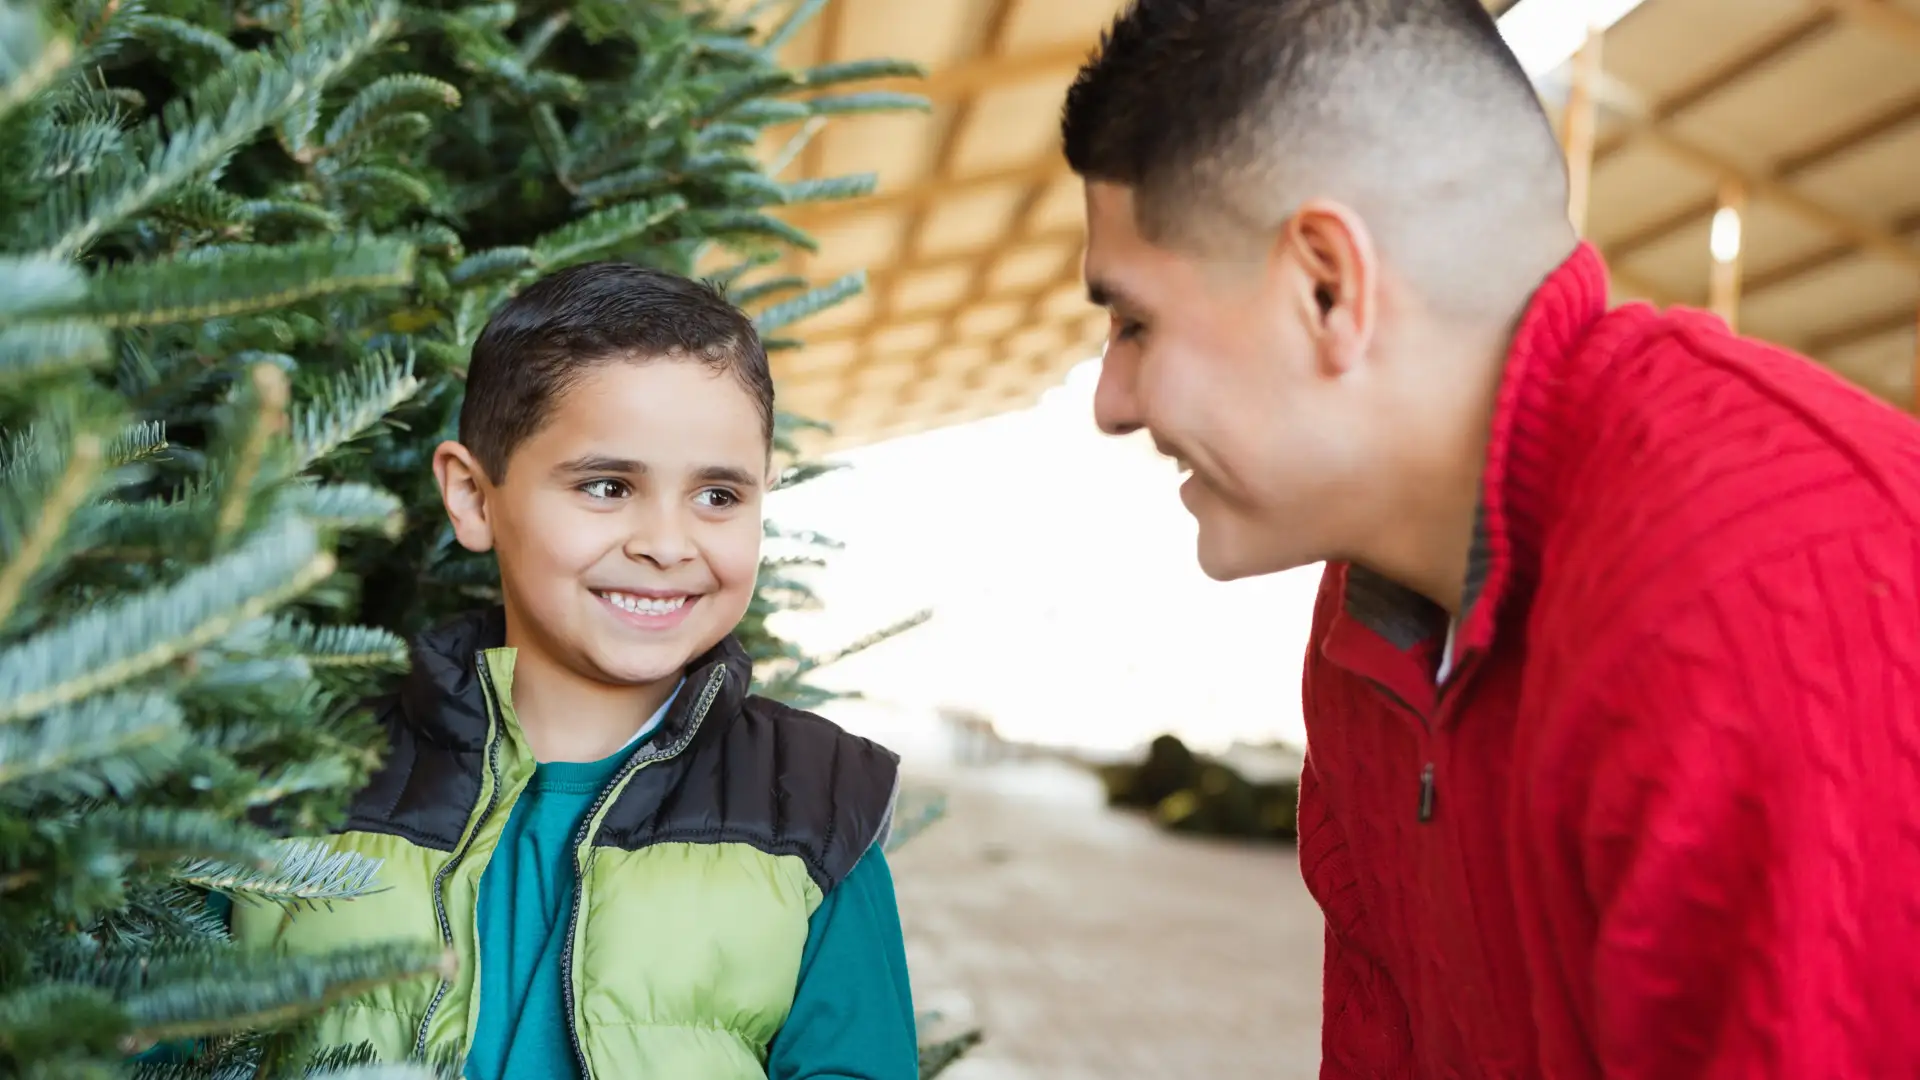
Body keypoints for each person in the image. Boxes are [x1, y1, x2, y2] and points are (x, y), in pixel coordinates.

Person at [1062, 0, 1920, 1076]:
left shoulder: (1769, 593)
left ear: (1328, 286)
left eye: (1135, 323)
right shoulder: (1363, 628)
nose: (1110, 400)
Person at [231, 263, 918, 1079]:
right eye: (607, 486)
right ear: (473, 497)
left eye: (719, 496)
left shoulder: (816, 804)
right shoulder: (292, 783)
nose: (667, 543)